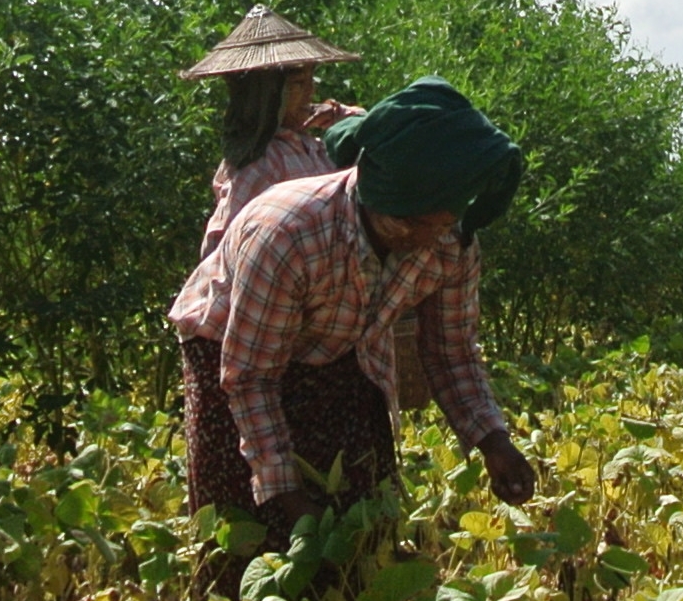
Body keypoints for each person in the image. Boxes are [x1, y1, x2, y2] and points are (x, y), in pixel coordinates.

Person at [170, 75, 535, 571]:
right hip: (229, 345)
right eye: (415, 224)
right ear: (379, 198)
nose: (428, 238)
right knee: (247, 524)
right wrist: (286, 496)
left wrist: (494, 441)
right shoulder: (289, 234)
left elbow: (450, 352)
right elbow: (252, 377)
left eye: (441, 223)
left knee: (360, 508)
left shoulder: (450, 241)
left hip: (338, 344)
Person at [181, 5, 365, 258]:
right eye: (299, 84)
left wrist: (336, 113)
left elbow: (370, 132)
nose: (310, 92)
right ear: (269, 95)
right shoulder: (259, 164)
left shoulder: (311, 147)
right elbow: (222, 245)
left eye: (312, 81)